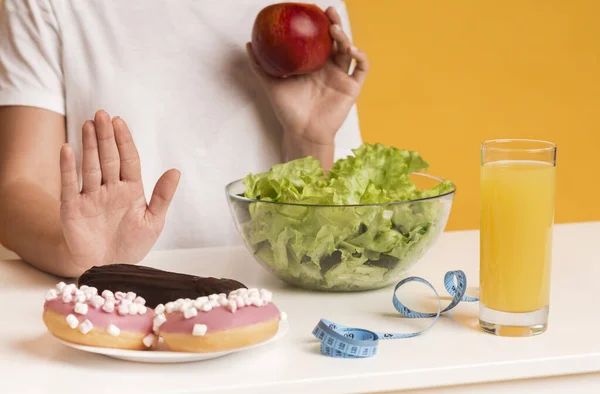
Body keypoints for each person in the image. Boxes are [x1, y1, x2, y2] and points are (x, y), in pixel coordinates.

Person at [0, 0, 369, 277]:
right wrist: (80, 252)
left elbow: (332, 238)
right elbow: (20, 184)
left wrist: (310, 141)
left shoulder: (314, 12)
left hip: (276, 309)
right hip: (113, 312)